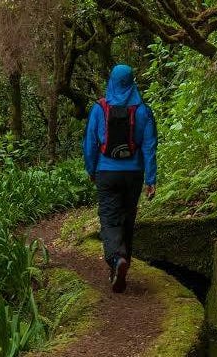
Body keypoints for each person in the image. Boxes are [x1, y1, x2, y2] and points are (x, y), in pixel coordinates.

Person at [83, 64, 157, 293]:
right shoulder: (143, 110)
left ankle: (117, 260)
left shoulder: (100, 108)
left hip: (107, 172)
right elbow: (149, 146)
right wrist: (150, 179)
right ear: (132, 81)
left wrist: (92, 170)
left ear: (112, 81)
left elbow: (89, 143)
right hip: (133, 174)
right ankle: (123, 261)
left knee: (109, 218)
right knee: (127, 218)